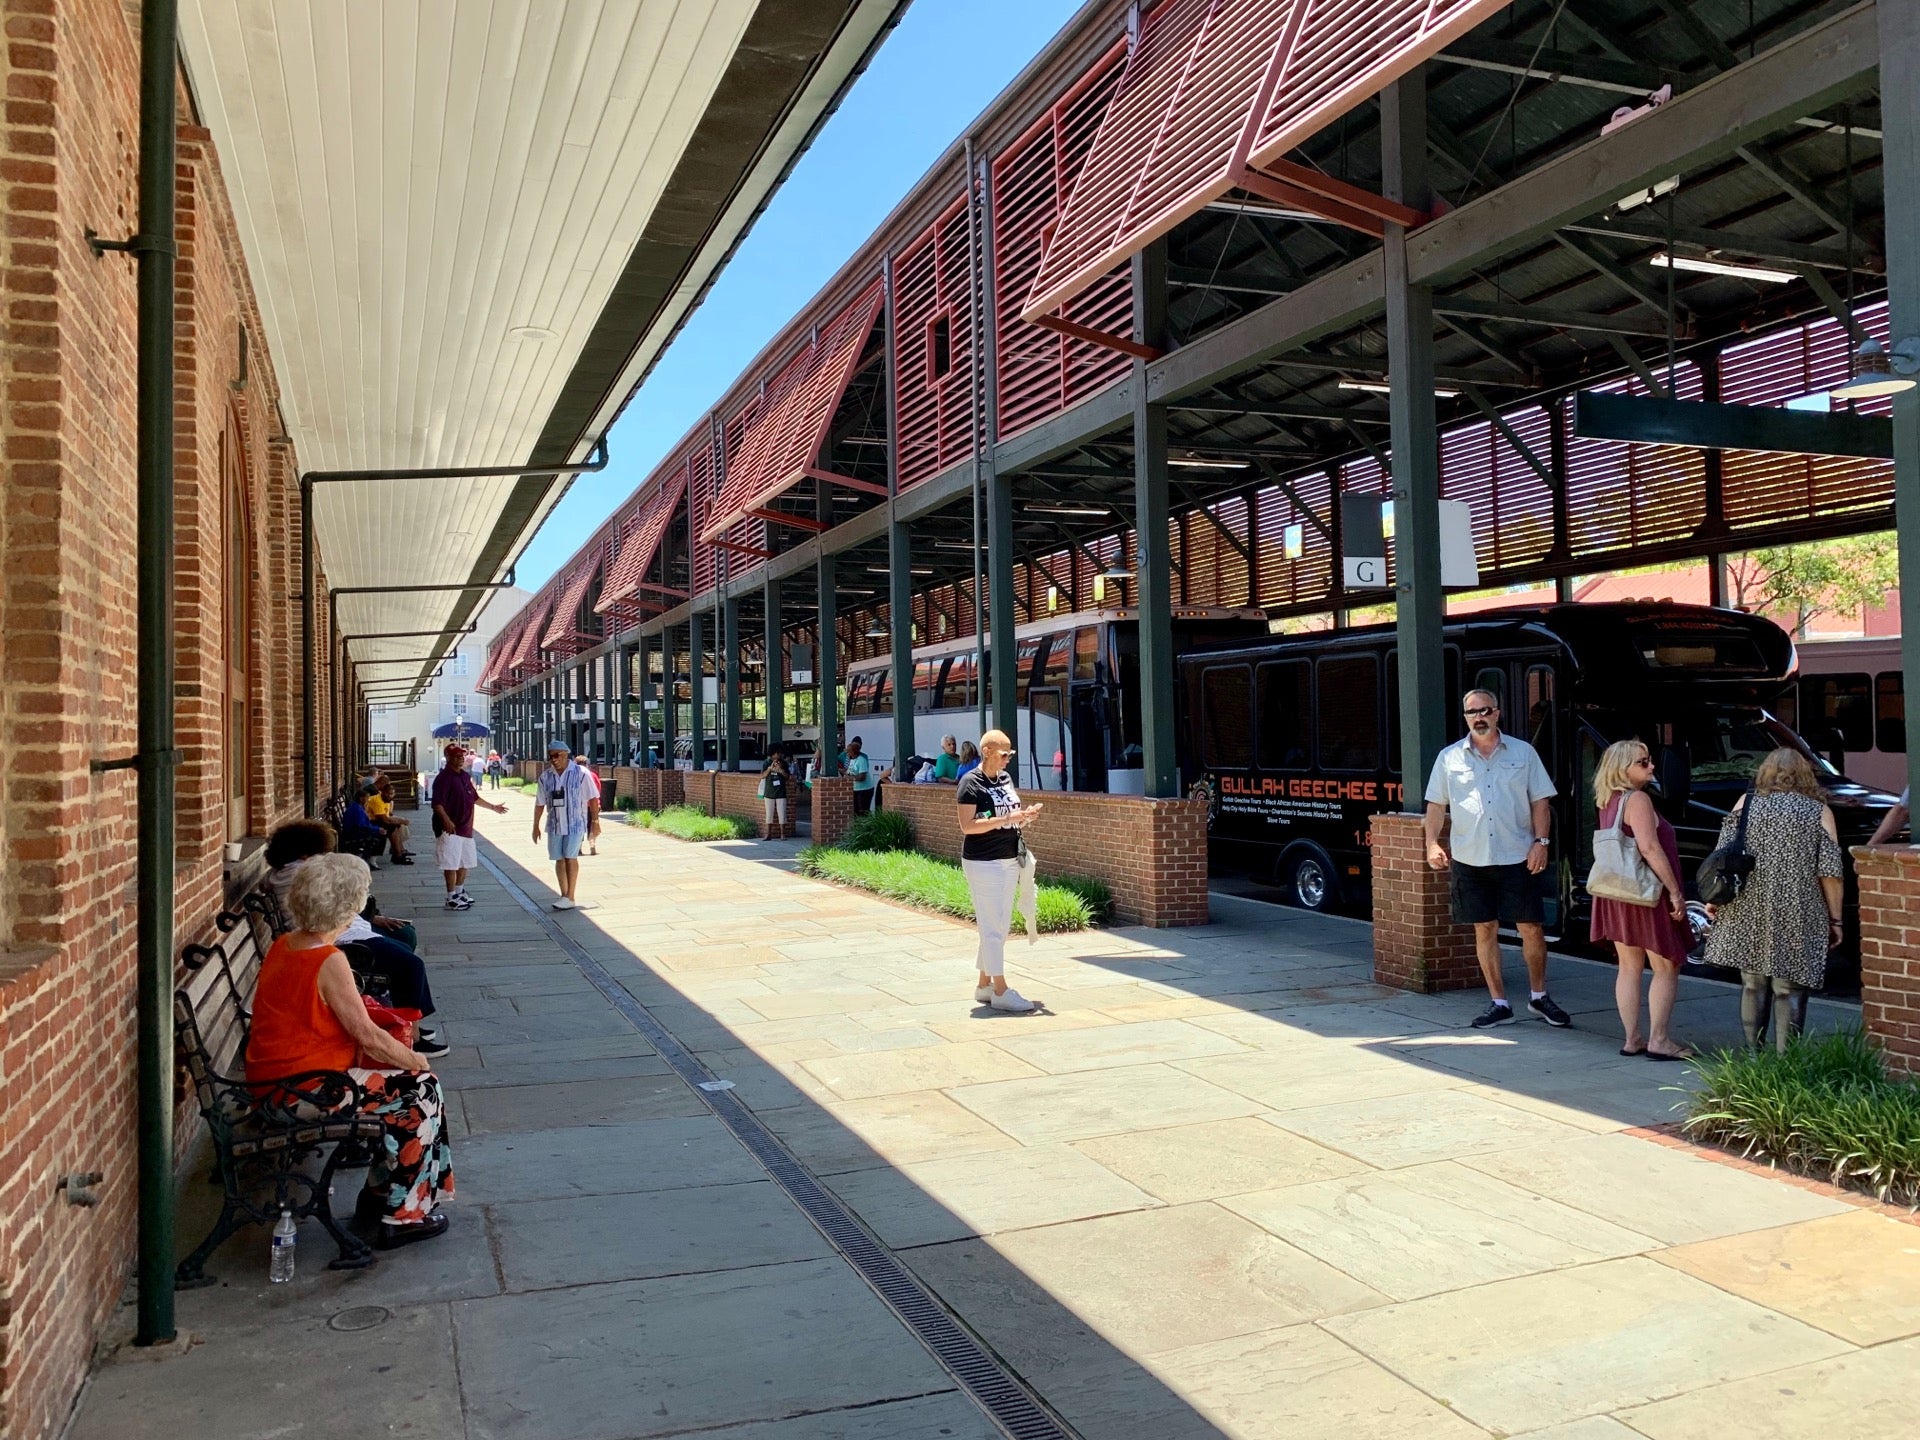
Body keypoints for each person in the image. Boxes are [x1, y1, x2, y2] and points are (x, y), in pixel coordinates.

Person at [247, 853, 454, 1247]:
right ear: (346, 905)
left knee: (410, 1088)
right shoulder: (328, 960)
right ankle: (404, 1216)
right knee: (421, 1091)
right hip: (304, 1089)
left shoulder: (284, 944)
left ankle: (379, 1196)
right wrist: (417, 1060)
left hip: (277, 1079)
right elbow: (367, 1036)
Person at [1423, 688, 1570, 1030]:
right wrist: (1431, 843)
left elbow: (1541, 802)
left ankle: (1538, 996)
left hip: (1517, 855)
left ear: (1497, 713)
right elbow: (1435, 806)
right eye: (1472, 712)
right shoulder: (1449, 758)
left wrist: (1541, 842)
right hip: (1470, 858)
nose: (1479, 717)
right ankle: (1499, 1003)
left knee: (1531, 928)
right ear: (1465, 717)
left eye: (1485, 710)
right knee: (1484, 927)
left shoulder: (1523, 753)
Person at [1704, 748, 1844, 1052]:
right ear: (1806, 774)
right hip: (1799, 905)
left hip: (1748, 903)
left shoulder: (1745, 804)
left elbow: (1723, 857)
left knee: (1752, 982)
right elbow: (1830, 873)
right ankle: (1785, 1062)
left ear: (1764, 772)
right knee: (1789, 985)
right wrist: (1836, 918)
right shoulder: (1819, 811)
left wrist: (1717, 899)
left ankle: (1754, 1060)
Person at [264, 821, 445, 1056]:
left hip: (341, 930)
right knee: (411, 965)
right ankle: (413, 1036)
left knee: (403, 942)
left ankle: (405, 1018)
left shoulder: (281, 873)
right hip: (341, 938)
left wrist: (374, 918)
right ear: (306, 852)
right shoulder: (304, 874)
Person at [1589, 741, 1693, 1061]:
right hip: (1645, 892)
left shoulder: (1608, 800)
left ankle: (1631, 1038)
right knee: (1665, 965)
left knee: (1629, 966)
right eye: (1643, 762)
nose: (1651, 767)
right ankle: (1659, 1039)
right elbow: (1649, 848)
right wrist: (1674, 890)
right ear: (1623, 769)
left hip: (1617, 893)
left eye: (1649, 761)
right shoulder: (1638, 800)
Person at [955, 729, 1042, 1013]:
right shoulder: (970, 783)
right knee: (993, 927)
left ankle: (984, 985)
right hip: (983, 862)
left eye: (1010, 754)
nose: (1008, 759)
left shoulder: (1004, 779)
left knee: (999, 925)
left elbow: (1008, 818)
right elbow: (968, 826)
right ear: (988, 752)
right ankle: (1002, 990)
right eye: (1004, 754)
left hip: (1008, 858)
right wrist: (1007, 817)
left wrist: (1023, 817)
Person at [431, 744, 506, 911]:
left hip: (466, 826)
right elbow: (437, 804)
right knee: (450, 862)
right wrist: (446, 820)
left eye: (462, 756)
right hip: (450, 829)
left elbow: (475, 798)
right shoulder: (443, 778)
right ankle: (451, 896)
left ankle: (459, 890)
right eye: (456, 756)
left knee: (465, 861)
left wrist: (493, 807)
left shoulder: (464, 776)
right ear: (448, 758)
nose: (460, 759)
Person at [533, 741, 600, 910]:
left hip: (575, 823)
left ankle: (570, 895)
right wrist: (535, 825)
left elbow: (592, 798)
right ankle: (564, 894)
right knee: (559, 858)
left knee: (571, 857)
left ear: (565, 755)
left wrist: (595, 822)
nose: (553, 760)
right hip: (555, 823)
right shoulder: (546, 777)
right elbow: (540, 802)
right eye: (550, 756)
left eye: (557, 756)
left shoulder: (581, 773)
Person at [363, 777, 414, 864]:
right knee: (391, 827)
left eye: (392, 794)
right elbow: (385, 820)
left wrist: (401, 821)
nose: (390, 796)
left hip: (376, 820)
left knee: (396, 825)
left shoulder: (386, 800)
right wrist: (402, 821)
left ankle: (399, 852)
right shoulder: (377, 800)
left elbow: (388, 816)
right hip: (368, 822)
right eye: (388, 794)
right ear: (383, 792)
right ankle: (397, 856)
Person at [844, 735, 881, 815]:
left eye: (849, 752)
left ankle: (866, 826)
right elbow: (848, 770)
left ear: (853, 752)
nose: (847, 754)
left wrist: (849, 778)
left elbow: (862, 777)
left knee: (863, 811)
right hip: (855, 789)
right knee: (855, 811)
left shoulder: (861, 759)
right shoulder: (851, 759)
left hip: (865, 789)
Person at [761, 746, 792, 838]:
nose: (779, 755)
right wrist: (770, 769)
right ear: (772, 754)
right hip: (769, 792)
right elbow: (762, 775)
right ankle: (768, 834)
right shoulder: (766, 762)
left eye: (780, 753)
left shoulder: (784, 763)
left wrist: (781, 770)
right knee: (769, 813)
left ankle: (783, 834)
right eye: (777, 753)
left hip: (781, 792)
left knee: (782, 813)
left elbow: (787, 777)